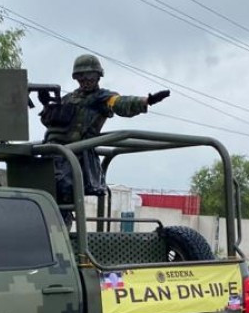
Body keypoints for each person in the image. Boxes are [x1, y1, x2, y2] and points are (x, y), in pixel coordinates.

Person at [40, 54, 170, 218]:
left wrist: (146, 101)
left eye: (90, 76)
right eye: (81, 76)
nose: (85, 80)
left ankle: (61, 226)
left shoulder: (102, 98)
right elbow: (52, 122)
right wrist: (47, 105)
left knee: (62, 188)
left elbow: (120, 103)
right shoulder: (68, 98)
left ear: (98, 76)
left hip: (77, 155)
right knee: (40, 186)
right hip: (54, 152)